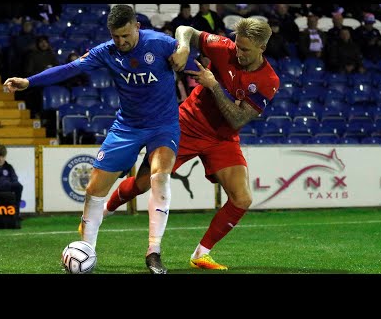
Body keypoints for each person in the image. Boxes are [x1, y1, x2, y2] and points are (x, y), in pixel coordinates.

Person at [3, 4, 185, 274]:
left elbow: (192, 49)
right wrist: (29, 82)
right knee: (93, 190)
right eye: (116, 37)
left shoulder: (160, 44)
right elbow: (68, 69)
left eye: (125, 35)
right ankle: (87, 250)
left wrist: (184, 48)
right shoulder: (106, 51)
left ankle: (153, 252)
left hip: (163, 125)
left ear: (137, 26)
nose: (121, 42)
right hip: (127, 127)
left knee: (159, 176)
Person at [103, 18, 280, 270]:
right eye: (238, 46)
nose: (238, 52)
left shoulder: (268, 80)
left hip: (223, 137)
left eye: (245, 49)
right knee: (143, 184)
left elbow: (237, 119)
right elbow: (185, 30)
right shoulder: (223, 47)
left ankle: (200, 254)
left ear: (262, 47)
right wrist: (184, 46)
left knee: (242, 199)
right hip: (185, 126)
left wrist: (214, 85)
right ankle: (106, 210)